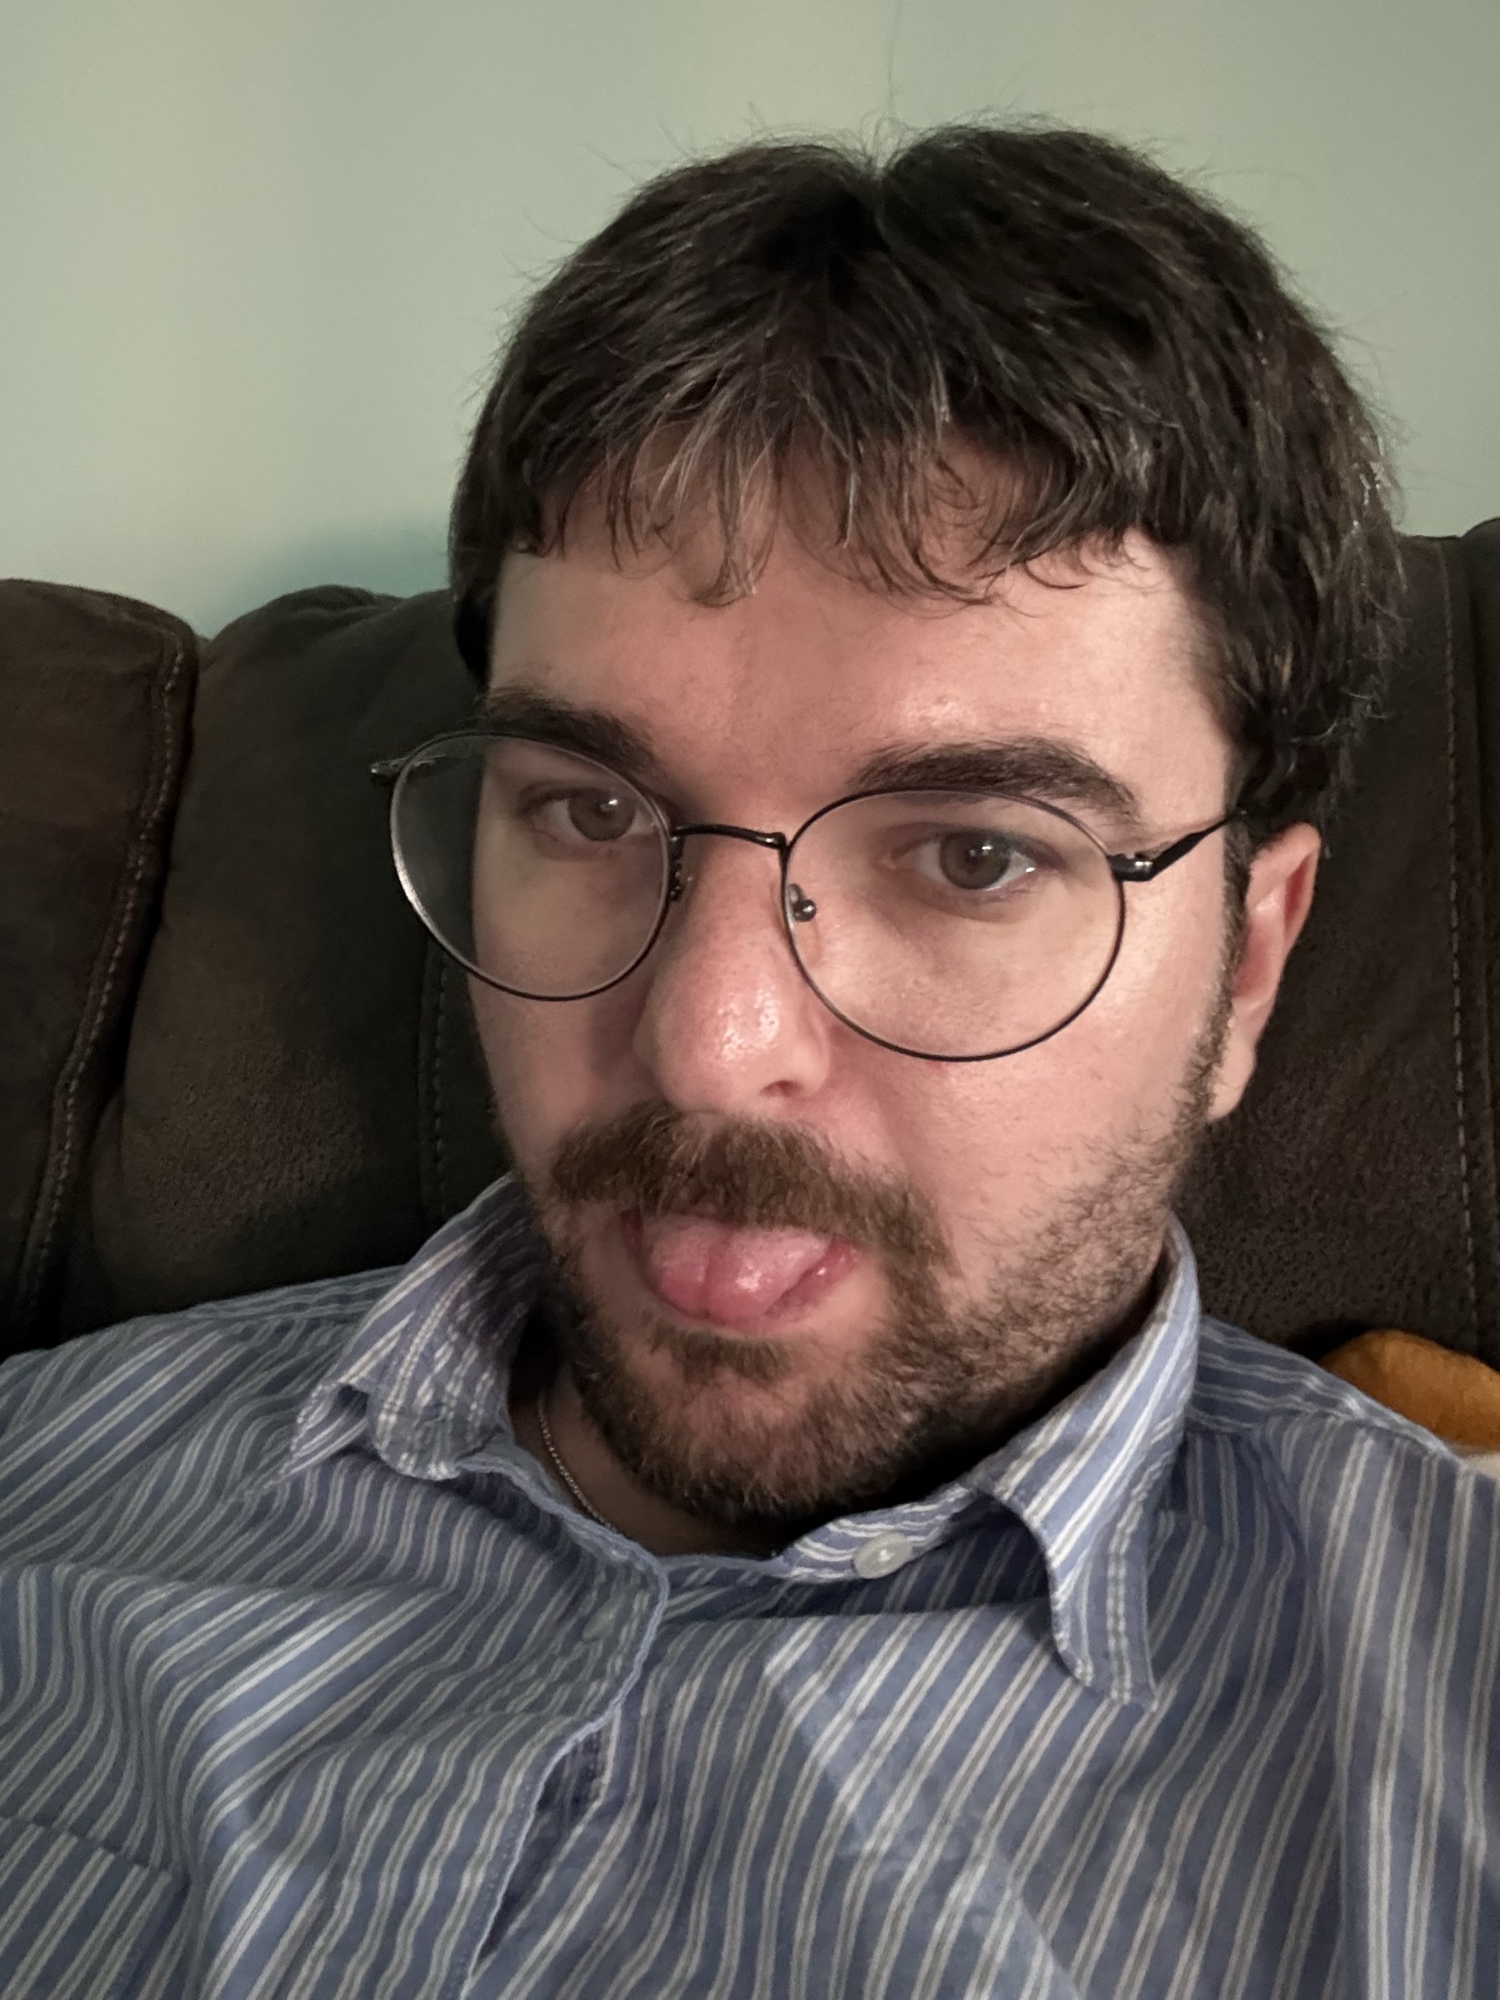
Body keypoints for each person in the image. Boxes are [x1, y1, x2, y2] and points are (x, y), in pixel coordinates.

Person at [0, 123, 1495, 2000]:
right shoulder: (45, 1485)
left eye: (975, 856)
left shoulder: (1443, 1712)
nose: (707, 1051)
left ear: (1250, 966)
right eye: (589, 808)